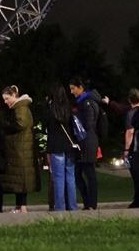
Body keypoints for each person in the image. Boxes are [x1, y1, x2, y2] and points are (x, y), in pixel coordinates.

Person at [0, 86, 39, 213]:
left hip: (21, 149)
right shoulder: (20, 107)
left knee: (21, 179)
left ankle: (22, 206)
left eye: (7, 98)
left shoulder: (20, 108)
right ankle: (19, 206)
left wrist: (5, 126)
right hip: (21, 148)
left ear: (14, 95)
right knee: (19, 179)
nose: (5, 101)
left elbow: (20, 124)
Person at [42, 84, 78, 211]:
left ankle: (60, 206)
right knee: (71, 177)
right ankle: (72, 206)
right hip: (69, 145)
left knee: (58, 178)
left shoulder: (50, 109)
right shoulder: (69, 108)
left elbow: (45, 125)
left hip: (56, 145)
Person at [69, 78, 100, 209]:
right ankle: (88, 202)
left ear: (80, 87)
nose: (71, 92)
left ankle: (91, 203)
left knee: (89, 173)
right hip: (84, 141)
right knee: (79, 174)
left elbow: (88, 123)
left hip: (87, 141)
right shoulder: (82, 102)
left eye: (73, 88)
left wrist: (76, 121)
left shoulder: (87, 103)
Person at [121, 88, 139, 207]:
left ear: (129, 100)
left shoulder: (131, 113)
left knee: (137, 175)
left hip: (135, 148)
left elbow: (130, 132)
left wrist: (126, 149)